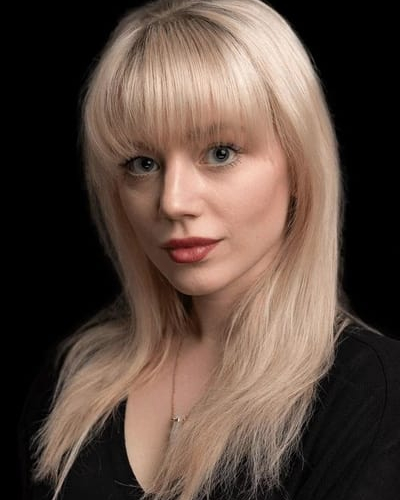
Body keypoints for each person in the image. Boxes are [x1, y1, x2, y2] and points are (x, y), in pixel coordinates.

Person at [18, 0, 400, 499]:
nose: (173, 201)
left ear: (299, 165)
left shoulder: (371, 394)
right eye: (142, 163)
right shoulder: (72, 381)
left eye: (220, 153)